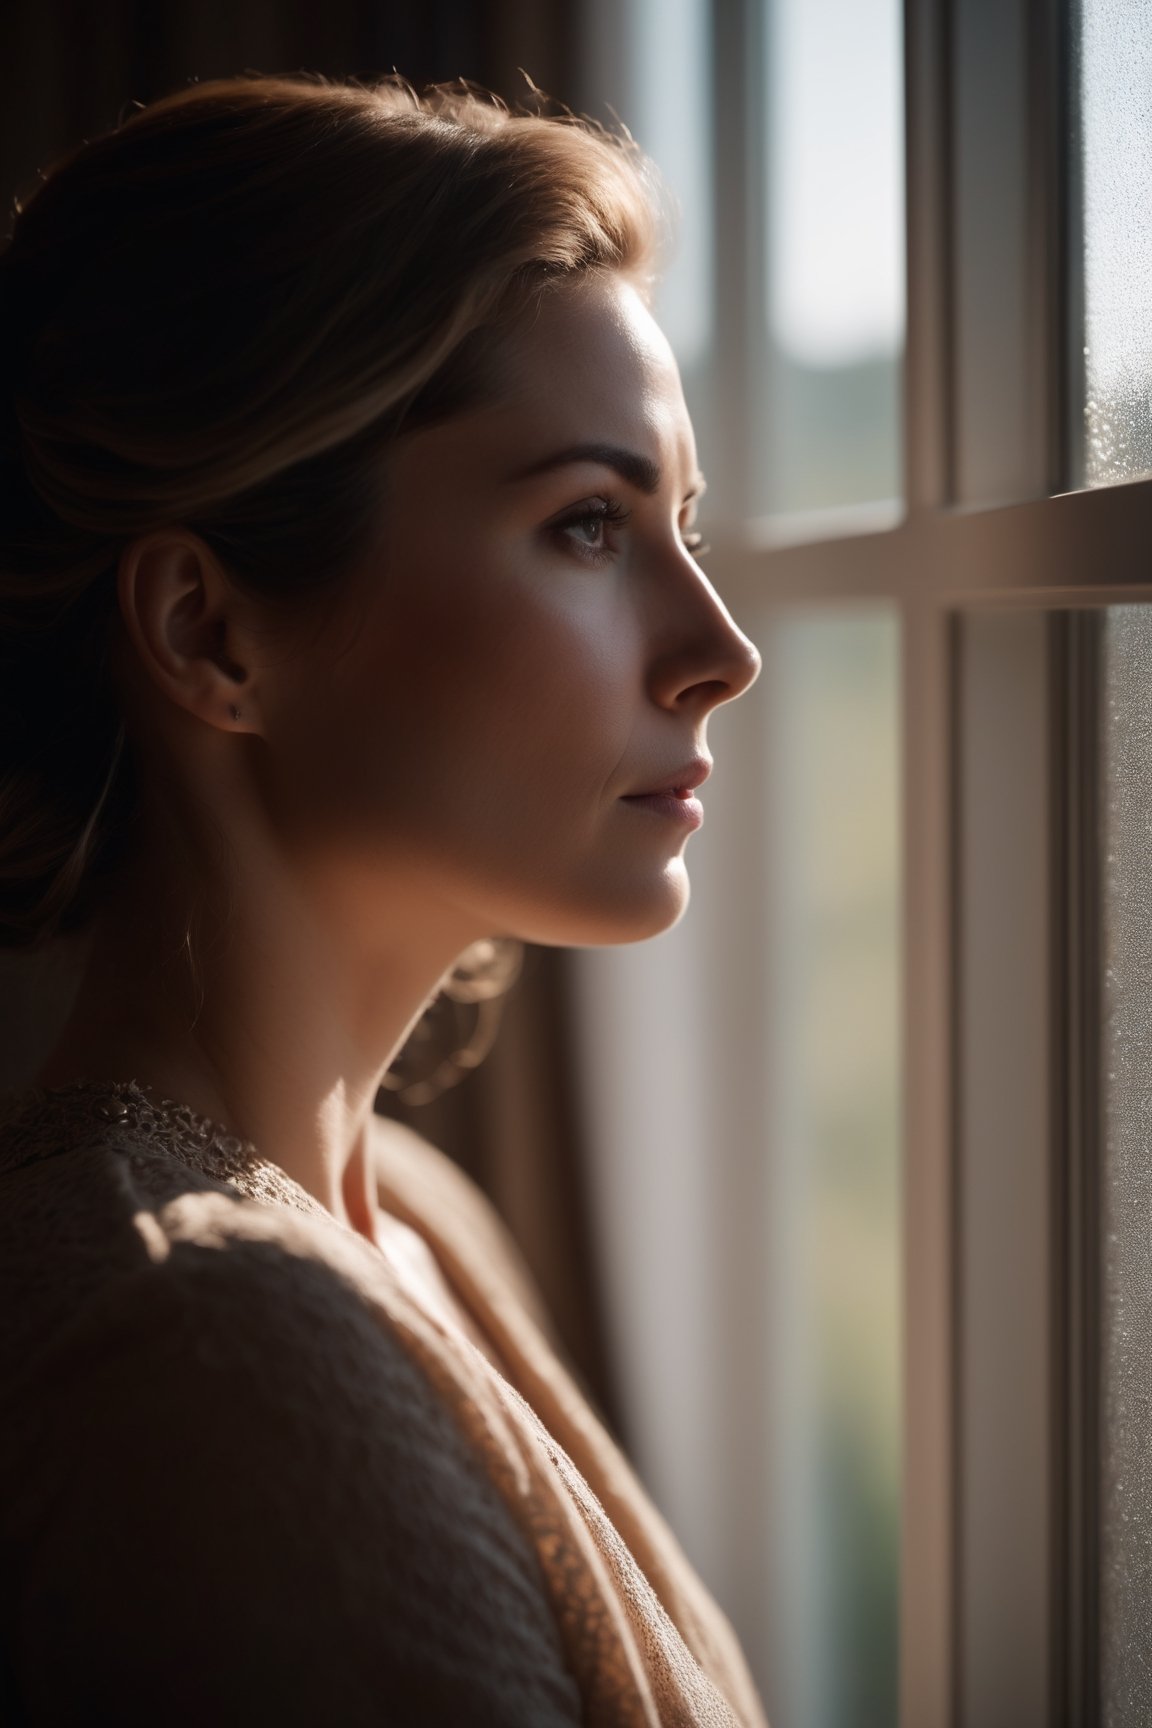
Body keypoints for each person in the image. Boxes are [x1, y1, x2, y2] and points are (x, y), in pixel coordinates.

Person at [0, 72, 764, 1725]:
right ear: (213, 635)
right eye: (584, 525)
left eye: (681, 523)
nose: (721, 652)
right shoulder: (202, 1352)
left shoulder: (413, 1216)